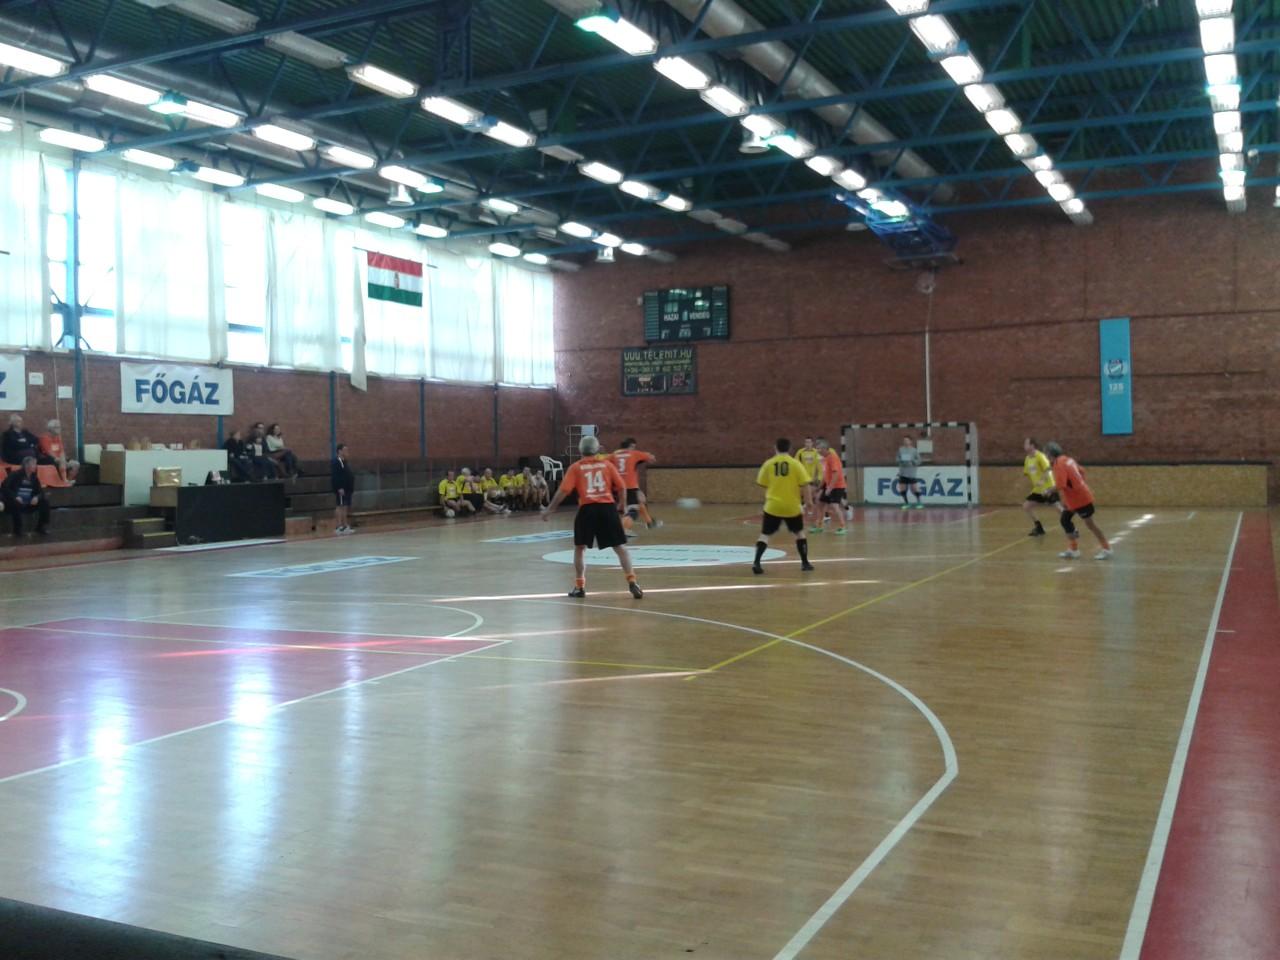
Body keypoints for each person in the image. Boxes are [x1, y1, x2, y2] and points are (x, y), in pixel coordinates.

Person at [542, 435, 643, 599]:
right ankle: (632, 581)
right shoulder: (607, 465)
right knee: (620, 547)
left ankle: (579, 586)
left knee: (580, 548)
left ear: (580, 450)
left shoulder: (576, 467)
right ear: (597, 450)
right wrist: (622, 505)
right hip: (607, 509)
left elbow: (563, 491)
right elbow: (622, 487)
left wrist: (549, 509)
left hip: (587, 510)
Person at [752, 438, 815, 575]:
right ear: (790, 448)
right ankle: (805, 563)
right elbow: (805, 485)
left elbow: (762, 483)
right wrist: (809, 502)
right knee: (799, 533)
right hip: (792, 506)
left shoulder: (768, 463)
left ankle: (756, 562)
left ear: (775, 448)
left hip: (773, 506)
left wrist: (771, 493)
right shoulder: (796, 464)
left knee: (765, 535)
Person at [1045, 441, 1111, 560]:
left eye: (1046, 454)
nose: (1046, 457)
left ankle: (1107, 549)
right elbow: (1082, 471)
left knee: (1090, 525)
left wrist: (1049, 491)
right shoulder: (1067, 459)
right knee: (1065, 519)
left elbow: (1061, 485)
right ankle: (1073, 550)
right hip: (1074, 499)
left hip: (1081, 499)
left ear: (1050, 455)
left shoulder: (1058, 464)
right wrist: (1080, 484)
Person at [611, 438, 660, 532]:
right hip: (629, 487)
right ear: (630, 446)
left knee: (640, 500)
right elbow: (651, 458)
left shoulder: (614, 455)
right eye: (633, 447)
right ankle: (623, 530)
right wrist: (648, 456)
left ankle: (649, 522)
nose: (634, 449)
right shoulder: (633, 454)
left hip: (616, 487)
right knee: (633, 511)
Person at [1021, 437, 1063, 537]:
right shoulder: (1027, 459)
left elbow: (1048, 469)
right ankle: (1039, 528)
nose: (1024, 445)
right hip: (1038, 490)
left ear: (1032, 445)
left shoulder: (1040, 456)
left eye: (1026, 443)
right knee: (1026, 506)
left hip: (1048, 487)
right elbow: (1028, 473)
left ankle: (1072, 527)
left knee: (1058, 507)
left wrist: (1042, 480)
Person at [1, 456, 50, 537]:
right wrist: (15, 496)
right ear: (26, 465)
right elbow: (4, 487)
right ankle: (17, 530)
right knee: (16, 503)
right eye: (33, 464)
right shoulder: (15, 474)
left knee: (45, 502)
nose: (35, 466)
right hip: (14, 502)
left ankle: (41, 527)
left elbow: (41, 492)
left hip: (28, 503)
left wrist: (37, 497)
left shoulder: (34, 477)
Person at [815, 438, 848, 534]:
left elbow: (835, 473)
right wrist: (819, 487)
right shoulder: (825, 459)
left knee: (834, 505)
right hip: (829, 485)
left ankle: (842, 527)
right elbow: (825, 475)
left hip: (837, 486)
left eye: (819, 448)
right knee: (820, 503)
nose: (817, 451)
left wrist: (830, 488)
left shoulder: (832, 458)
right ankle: (819, 525)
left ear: (824, 449)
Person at [39, 419, 79, 485]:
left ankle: (68, 480)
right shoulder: (44, 438)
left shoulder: (58, 438)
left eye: (59, 427)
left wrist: (63, 459)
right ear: (51, 428)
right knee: (61, 461)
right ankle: (64, 480)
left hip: (59, 458)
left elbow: (61, 451)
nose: (59, 429)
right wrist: (60, 460)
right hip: (48, 458)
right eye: (57, 427)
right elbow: (49, 452)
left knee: (76, 464)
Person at [797, 436, 824, 533]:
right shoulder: (800, 452)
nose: (807, 444)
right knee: (803, 497)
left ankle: (814, 516)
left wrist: (819, 478)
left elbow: (820, 466)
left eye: (809, 442)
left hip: (812, 480)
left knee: (813, 498)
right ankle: (805, 515)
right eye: (806, 442)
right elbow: (796, 464)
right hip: (802, 479)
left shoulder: (816, 453)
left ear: (812, 443)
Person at [895, 435, 924, 510]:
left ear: (910, 441)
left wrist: (913, 461)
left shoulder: (914, 450)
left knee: (914, 488)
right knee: (902, 489)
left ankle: (919, 502)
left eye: (907, 440)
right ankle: (906, 503)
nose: (905, 442)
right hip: (902, 472)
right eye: (904, 440)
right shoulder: (900, 450)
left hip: (911, 472)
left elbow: (919, 460)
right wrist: (901, 460)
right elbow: (897, 459)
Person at [331, 443, 355, 535]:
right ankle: (338, 526)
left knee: (345, 506)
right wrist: (339, 487)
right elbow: (336, 476)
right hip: (341, 488)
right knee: (339, 506)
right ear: (340, 451)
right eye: (345, 450)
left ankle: (345, 526)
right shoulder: (337, 462)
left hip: (347, 488)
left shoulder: (344, 462)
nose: (347, 452)